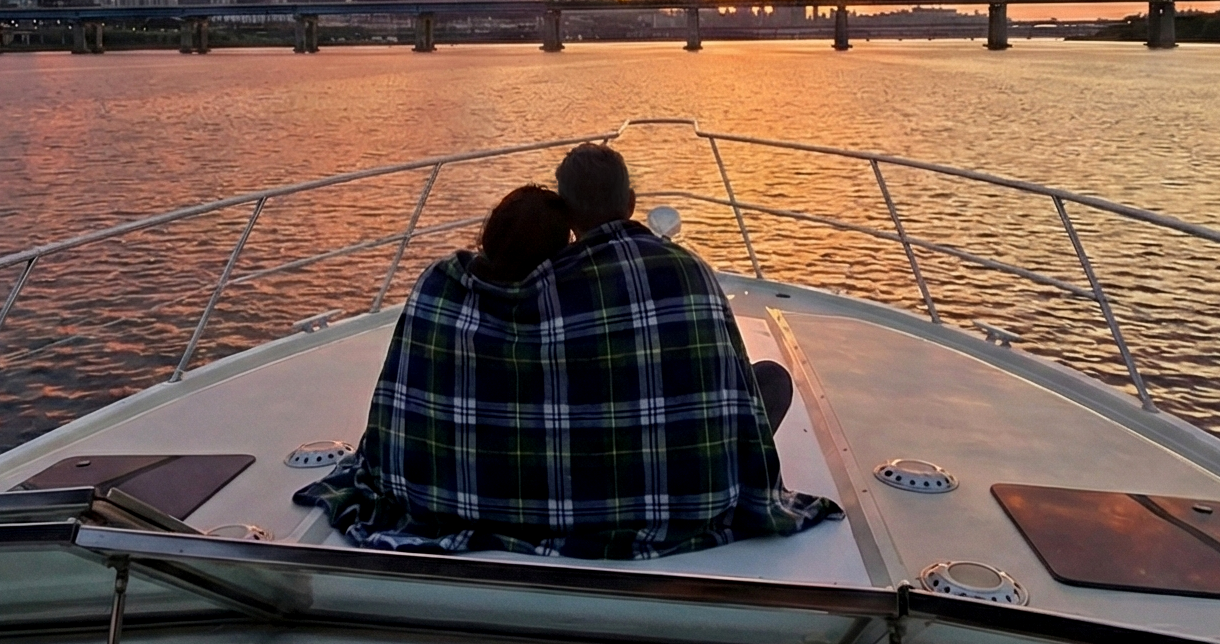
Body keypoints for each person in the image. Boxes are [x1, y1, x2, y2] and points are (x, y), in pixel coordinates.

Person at [296, 144, 838, 557]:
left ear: (568, 215)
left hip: (479, 483)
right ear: (631, 203)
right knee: (764, 380)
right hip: (668, 490)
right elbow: (722, 381)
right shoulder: (685, 270)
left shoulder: (464, 286)